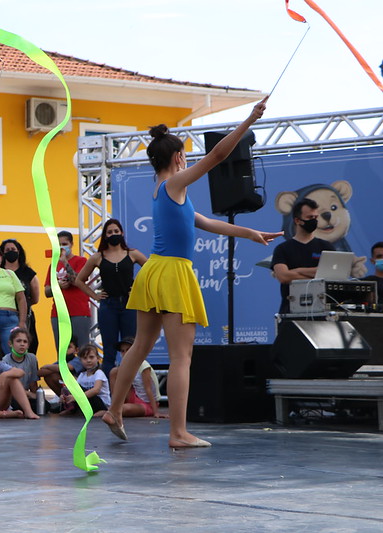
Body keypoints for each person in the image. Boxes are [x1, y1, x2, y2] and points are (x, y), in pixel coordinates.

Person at [103, 98, 282, 449]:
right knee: (181, 357)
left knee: (140, 347)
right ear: (177, 158)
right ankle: (178, 433)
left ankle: (114, 410)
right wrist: (248, 120)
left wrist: (250, 233)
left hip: (155, 270)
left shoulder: (164, 191)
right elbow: (216, 158)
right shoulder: (174, 185)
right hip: (172, 273)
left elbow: (205, 223)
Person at [74, 218, 148, 377]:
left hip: (130, 305)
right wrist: (95, 295)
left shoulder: (132, 253)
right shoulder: (97, 257)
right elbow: (79, 280)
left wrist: (138, 288)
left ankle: (133, 389)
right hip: (108, 307)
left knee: (132, 347)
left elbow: (151, 271)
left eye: (116, 231)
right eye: (110, 232)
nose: (113, 234)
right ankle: (110, 391)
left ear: (121, 233)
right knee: (109, 351)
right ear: (105, 236)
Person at [271, 198, 335, 314]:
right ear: (297, 220)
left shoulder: (326, 247)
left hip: (322, 312)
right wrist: (318, 277)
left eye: (316, 217)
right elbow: (284, 277)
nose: (314, 221)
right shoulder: (282, 249)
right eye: (310, 218)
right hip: (291, 311)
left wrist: (297, 271)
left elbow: (332, 275)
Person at [44, 231, 92, 349]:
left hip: (79, 311)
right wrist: (58, 286)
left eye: (64, 244)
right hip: (58, 313)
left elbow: (77, 280)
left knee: (82, 350)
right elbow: (47, 291)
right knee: (63, 350)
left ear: (71, 244)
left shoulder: (81, 261)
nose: (61, 247)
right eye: (58, 245)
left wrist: (65, 261)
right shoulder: (53, 265)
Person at [1, 239, 41, 354]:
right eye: (7, 250)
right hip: (4, 315)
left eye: (13, 249)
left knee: (28, 346)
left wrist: (22, 306)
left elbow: (35, 299)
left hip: (25, 317)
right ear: (2, 253)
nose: (10, 252)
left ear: (19, 252)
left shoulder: (28, 273)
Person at [60, 344, 110, 417]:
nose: (88, 360)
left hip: (100, 402)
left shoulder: (99, 373)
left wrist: (76, 397)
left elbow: (96, 390)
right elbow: (75, 390)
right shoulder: (82, 375)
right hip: (88, 402)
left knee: (83, 392)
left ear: (98, 358)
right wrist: (65, 396)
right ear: (80, 360)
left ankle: (103, 411)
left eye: (91, 357)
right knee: (73, 389)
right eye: (85, 358)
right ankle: (73, 410)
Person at [109, 355, 165, 419]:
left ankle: (114, 409)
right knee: (114, 371)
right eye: (122, 351)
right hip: (136, 396)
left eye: (128, 350)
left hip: (147, 403)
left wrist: (156, 412)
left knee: (124, 409)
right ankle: (114, 405)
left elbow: (148, 389)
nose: (125, 353)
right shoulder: (127, 364)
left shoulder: (143, 365)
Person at [3, 328, 40, 408]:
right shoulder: (5, 361)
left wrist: (36, 397)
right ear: (10, 343)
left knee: (44, 405)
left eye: (25, 341)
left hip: (27, 396)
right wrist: (28, 393)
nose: (22, 344)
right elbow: (6, 389)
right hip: (12, 396)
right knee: (16, 405)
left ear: (28, 345)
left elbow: (33, 384)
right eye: (18, 341)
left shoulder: (32, 358)